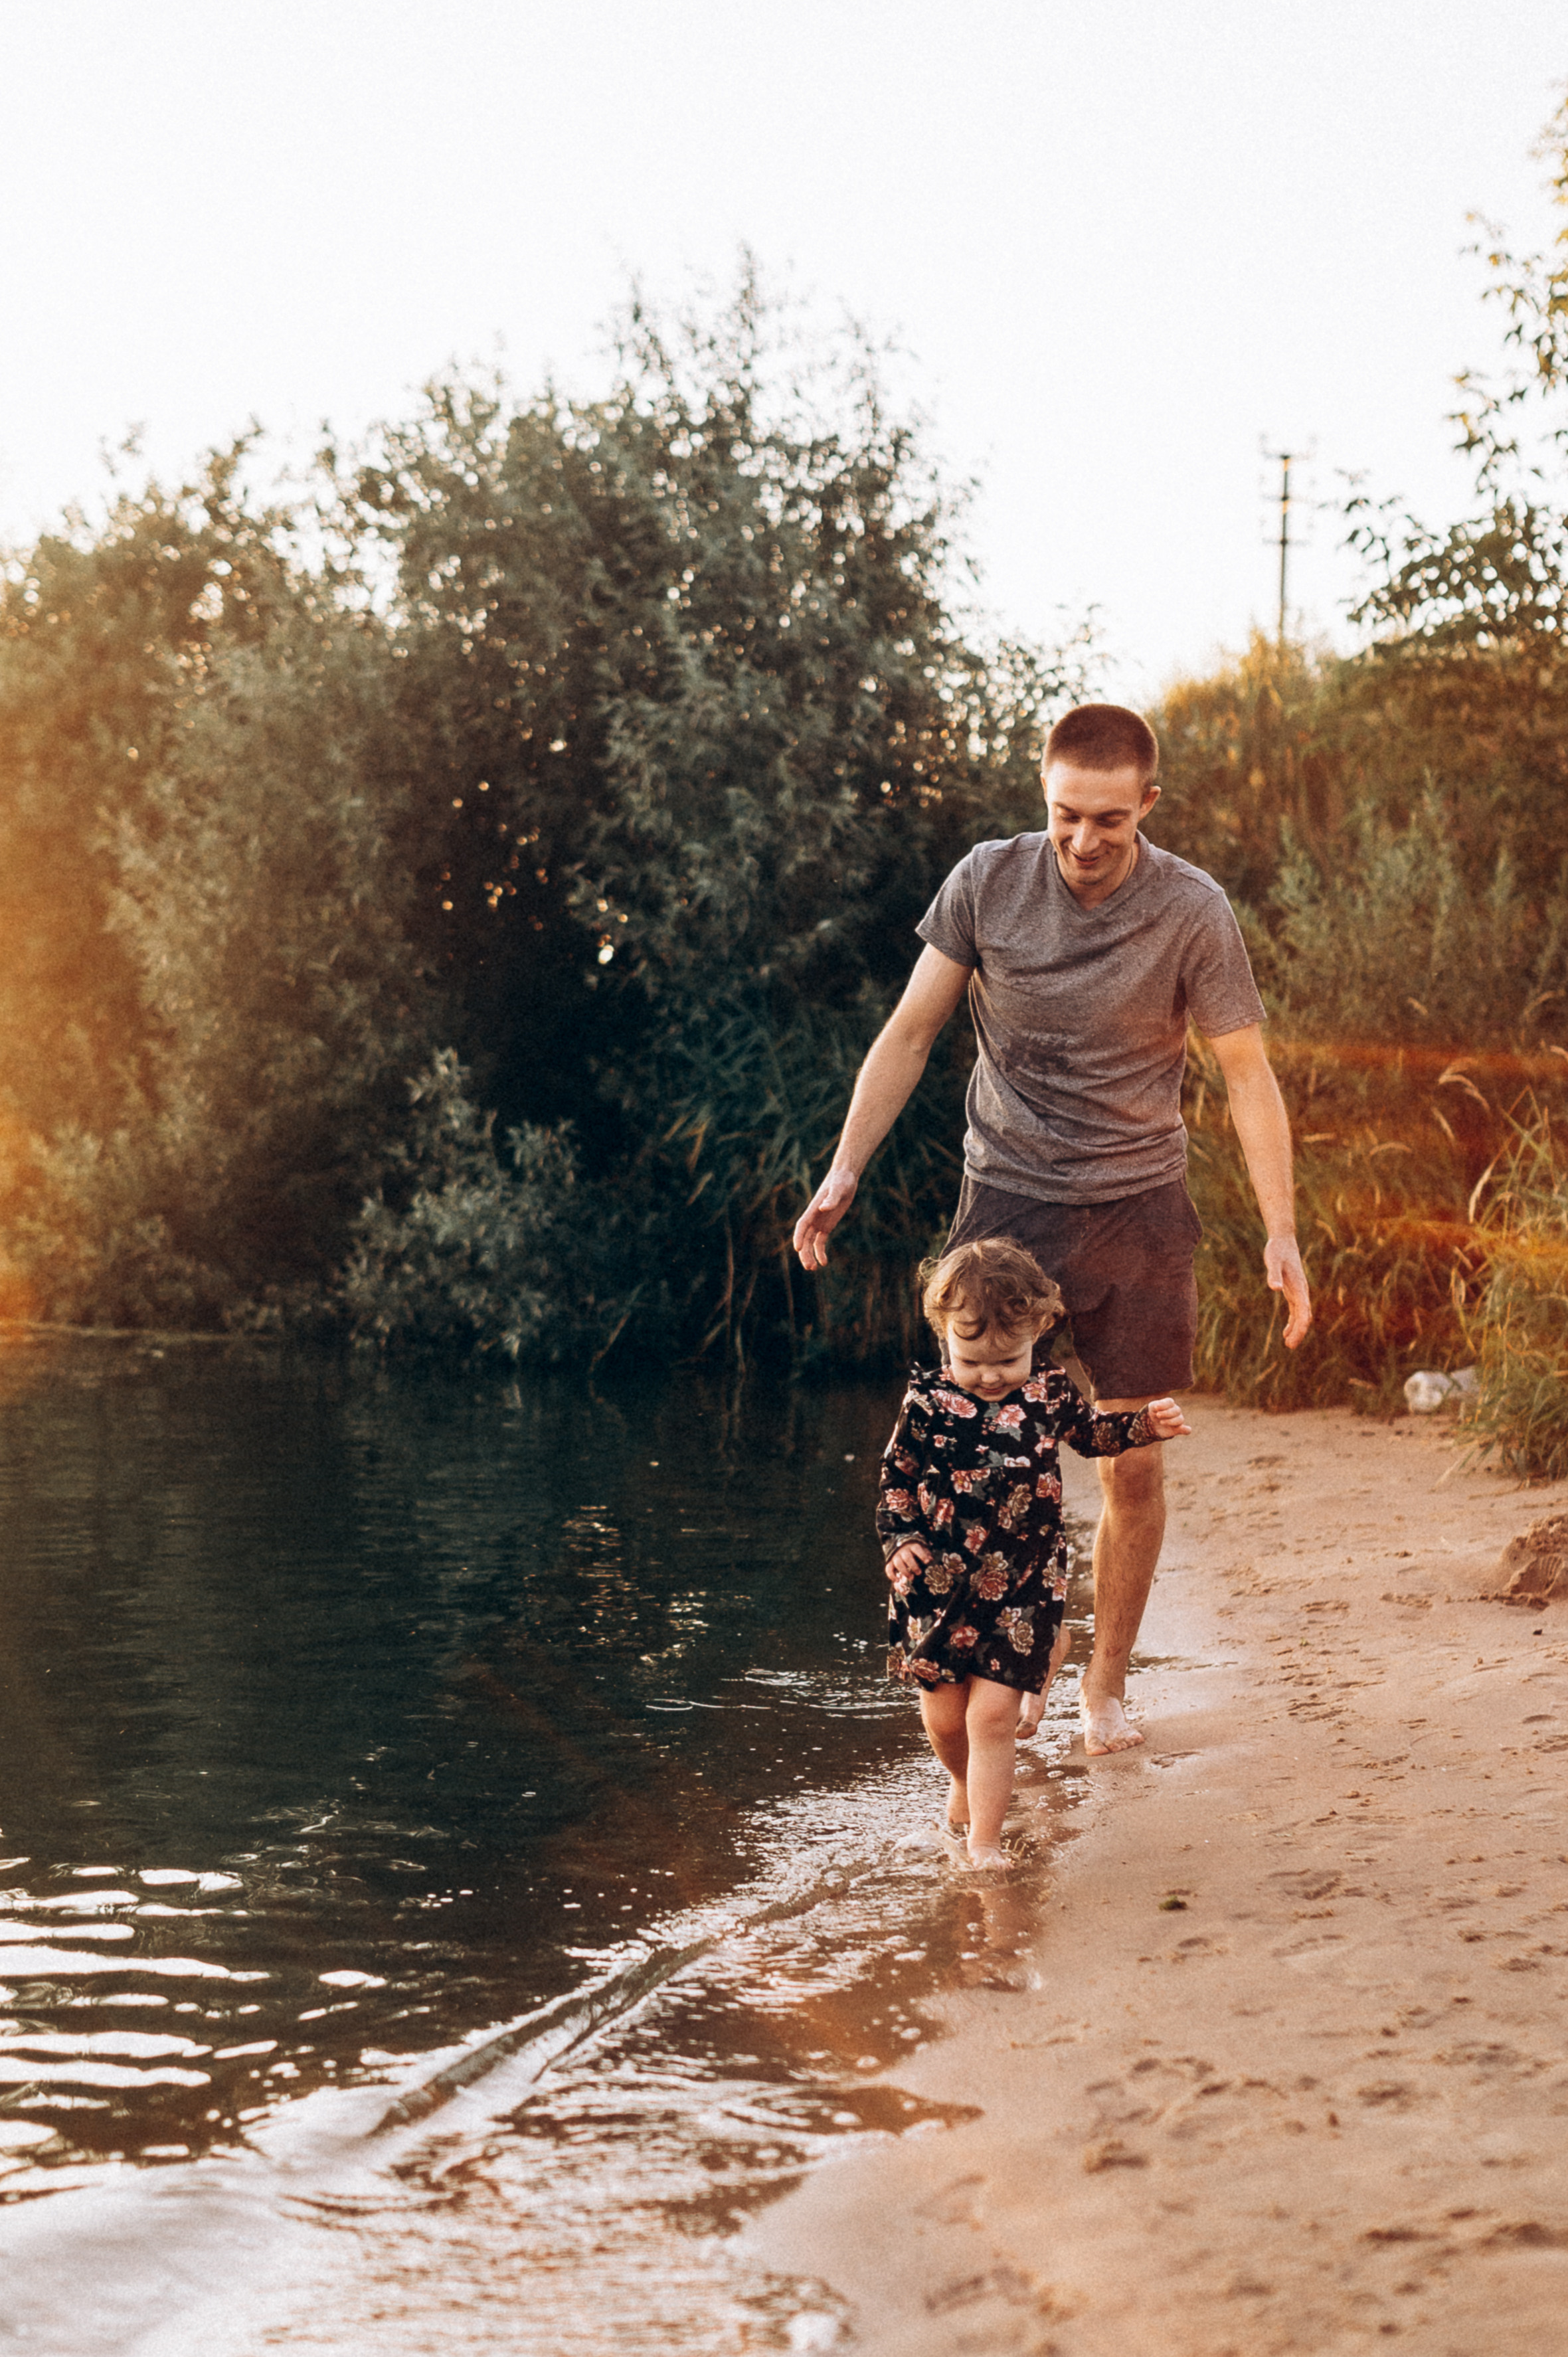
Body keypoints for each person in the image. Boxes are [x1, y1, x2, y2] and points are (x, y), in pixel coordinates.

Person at [794, 702, 1311, 1756]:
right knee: (983, 1451)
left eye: (1109, 820)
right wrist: (845, 1169)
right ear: (1043, 795)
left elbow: (1246, 1072)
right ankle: (1009, 1666)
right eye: (1066, 814)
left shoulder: (1191, 909)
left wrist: (1280, 1230)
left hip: (1139, 1207)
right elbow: (910, 1031)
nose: (1084, 841)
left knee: (1129, 1463)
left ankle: (1103, 1688)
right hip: (1008, 1208)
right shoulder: (987, 881)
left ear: (1148, 806)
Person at [880, 1239, 1190, 1869]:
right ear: (942, 1336)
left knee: (991, 1717)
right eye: (971, 1360)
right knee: (944, 1721)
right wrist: (901, 1539)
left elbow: (1093, 1434)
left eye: (1007, 1359)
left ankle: (984, 1844)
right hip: (937, 1585)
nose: (990, 1375)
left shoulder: (1047, 1389)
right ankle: (963, 1783)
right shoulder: (926, 1401)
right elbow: (896, 1479)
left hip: (1024, 1580)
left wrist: (1142, 1427)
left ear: (1039, 1331)